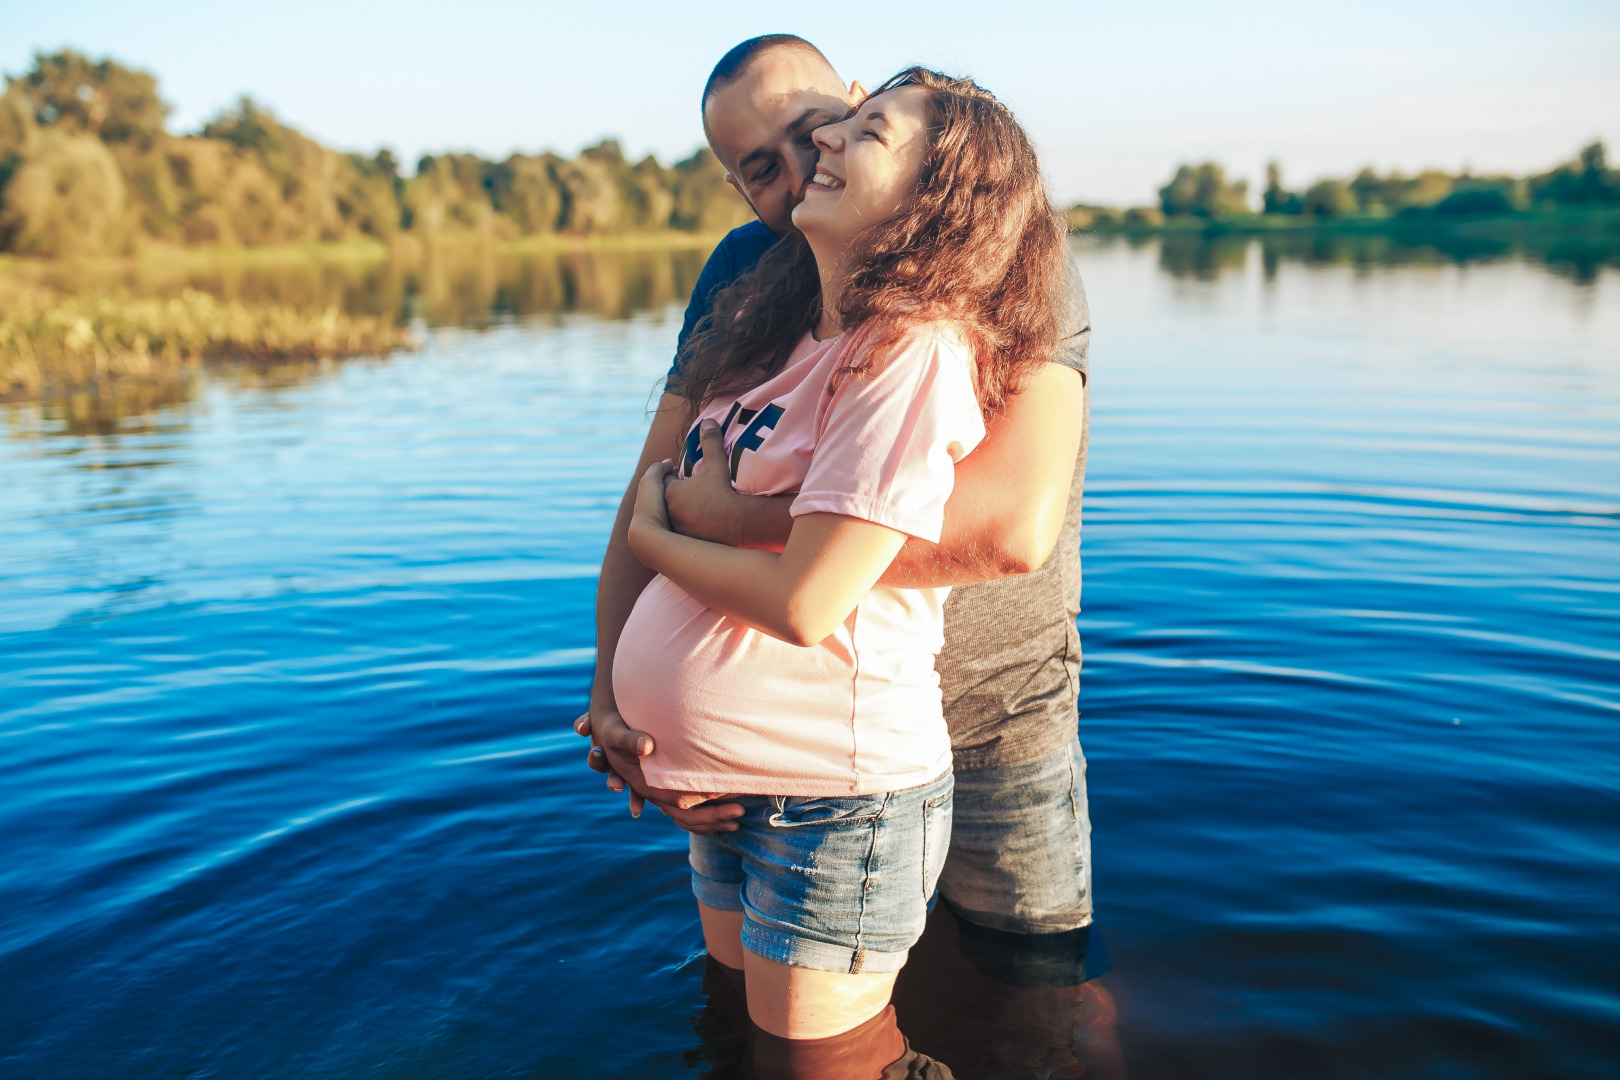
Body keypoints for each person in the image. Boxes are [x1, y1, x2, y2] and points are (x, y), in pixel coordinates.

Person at [578, 33, 1097, 948]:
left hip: (993, 715)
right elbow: (648, 490)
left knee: (1031, 996)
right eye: (757, 168)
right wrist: (614, 698)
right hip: (782, 745)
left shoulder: (1002, 249)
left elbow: (1012, 526)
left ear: (857, 110)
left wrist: (724, 519)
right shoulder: (739, 274)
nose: (799, 166)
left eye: (816, 130)